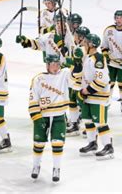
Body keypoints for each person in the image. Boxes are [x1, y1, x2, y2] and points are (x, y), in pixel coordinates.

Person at [28, 54, 73, 182]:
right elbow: (33, 99)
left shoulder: (65, 74)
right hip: (43, 116)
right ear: (47, 65)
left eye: (57, 63)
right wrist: (36, 117)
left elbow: (76, 82)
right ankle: (36, 166)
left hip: (59, 114)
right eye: (52, 64)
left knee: (57, 142)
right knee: (38, 143)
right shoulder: (38, 79)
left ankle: (56, 168)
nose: (56, 66)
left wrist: (76, 63)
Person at [75, 33, 114, 159]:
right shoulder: (88, 57)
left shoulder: (98, 58)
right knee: (87, 120)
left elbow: (102, 80)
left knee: (100, 122)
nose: (83, 44)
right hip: (89, 96)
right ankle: (92, 143)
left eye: (85, 42)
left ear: (91, 44)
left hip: (98, 96)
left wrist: (87, 90)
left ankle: (108, 146)